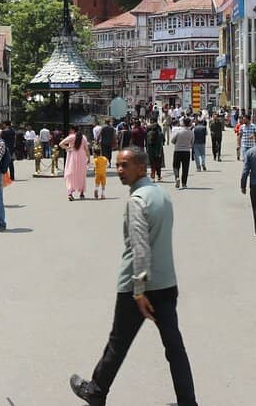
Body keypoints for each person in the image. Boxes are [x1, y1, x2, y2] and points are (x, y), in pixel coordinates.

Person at [69, 146, 197, 406]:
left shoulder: (137, 201)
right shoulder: (161, 194)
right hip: (166, 283)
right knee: (174, 347)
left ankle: (95, 391)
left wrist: (139, 290)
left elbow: (140, 246)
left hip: (136, 288)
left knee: (118, 343)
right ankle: (187, 401)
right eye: (118, 164)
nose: (120, 170)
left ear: (141, 167)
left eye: (125, 165)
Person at [61, 127, 89, 201]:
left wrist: (68, 148)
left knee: (71, 173)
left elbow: (61, 144)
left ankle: (70, 192)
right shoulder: (84, 138)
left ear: (73, 131)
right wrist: (88, 158)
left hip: (72, 156)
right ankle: (82, 192)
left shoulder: (71, 137)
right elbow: (86, 149)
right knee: (81, 173)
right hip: (82, 157)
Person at [170, 118, 194, 190]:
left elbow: (172, 140)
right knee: (185, 167)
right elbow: (192, 143)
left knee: (175, 166)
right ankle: (184, 183)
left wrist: (177, 143)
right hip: (186, 151)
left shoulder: (179, 131)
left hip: (177, 150)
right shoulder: (191, 132)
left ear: (183, 123)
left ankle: (177, 177)